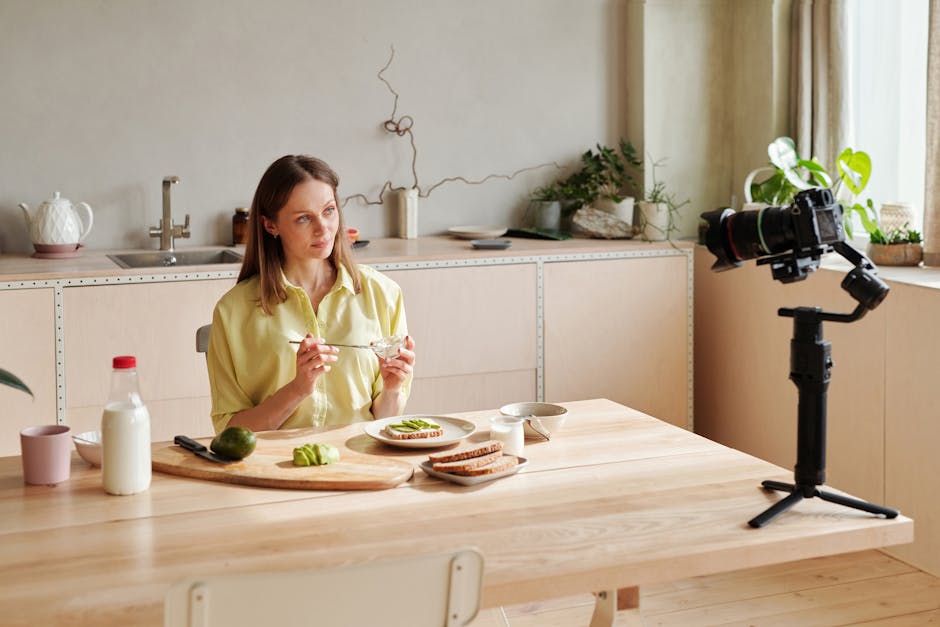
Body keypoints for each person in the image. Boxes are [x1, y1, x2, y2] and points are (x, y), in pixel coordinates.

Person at [207, 155, 416, 433]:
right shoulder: (233, 310)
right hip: (276, 459)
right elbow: (229, 431)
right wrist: (298, 389)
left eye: (329, 211)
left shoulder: (383, 293)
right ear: (270, 225)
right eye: (304, 218)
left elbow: (384, 420)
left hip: (359, 455)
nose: (323, 228)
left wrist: (392, 388)